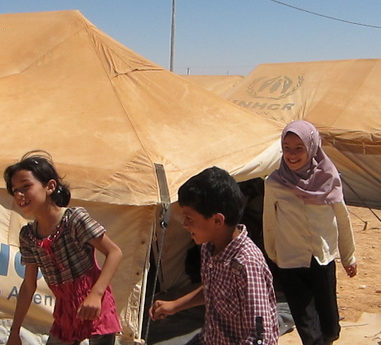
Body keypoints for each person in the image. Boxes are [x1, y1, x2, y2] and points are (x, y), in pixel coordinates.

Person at [149, 166, 280, 345]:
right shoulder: (209, 248)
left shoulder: (246, 265)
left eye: (189, 218)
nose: (185, 224)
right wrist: (175, 305)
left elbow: (260, 336)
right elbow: (213, 289)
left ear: (217, 220)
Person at [4, 151, 123, 345]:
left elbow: (114, 252)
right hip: (65, 312)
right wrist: (14, 331)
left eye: (26, 186)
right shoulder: (28, 236)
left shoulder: (74, 219)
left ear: (50, 186)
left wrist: (96, 294)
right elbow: (28, 285)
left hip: (95, 307)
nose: (19, 195)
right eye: (15, 190)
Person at [262, 120, 357, 345]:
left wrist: (348, 256)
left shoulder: (329, 179)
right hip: (290, 259)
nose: (292, 155)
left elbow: (342, 219)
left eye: (299, 148)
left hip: (322, 258)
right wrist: (272, 252)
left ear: (312, 147)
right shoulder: (274, 183)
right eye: (287, 148)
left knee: (330, 326)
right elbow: (269, 221)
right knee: (308, 328)